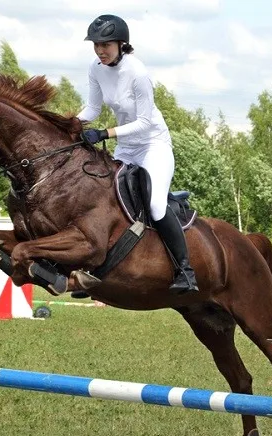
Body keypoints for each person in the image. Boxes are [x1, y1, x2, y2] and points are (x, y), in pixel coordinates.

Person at [77, 14, 198, 294]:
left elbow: (144, 122)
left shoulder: (138, 73)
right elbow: (93, 109)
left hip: (153, 145)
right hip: (127, 147)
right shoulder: (95, 69)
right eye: (96, 45)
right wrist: (68, 123)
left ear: (122, 43)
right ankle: (95, 270)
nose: (100, 51)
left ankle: (185, 271)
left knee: (155, 205)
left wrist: (104, 133)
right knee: (104, 200)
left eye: (105, 45)